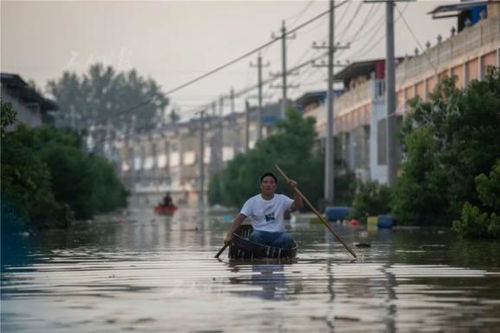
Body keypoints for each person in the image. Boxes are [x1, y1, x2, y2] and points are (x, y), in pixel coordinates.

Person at [223, 172, 303, 249]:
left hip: (278, 234)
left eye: (271, 183)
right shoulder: (252, 201)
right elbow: (239, 218)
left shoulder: (282, 199)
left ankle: (273, 252)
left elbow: (298, 206)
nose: (268, 185)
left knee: (288, 239)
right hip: (260, 234)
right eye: (265, 182)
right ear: (261, 186)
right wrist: (229, 235)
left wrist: (294, 190)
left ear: (275, 186)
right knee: (254, 237)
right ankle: (265, 252)